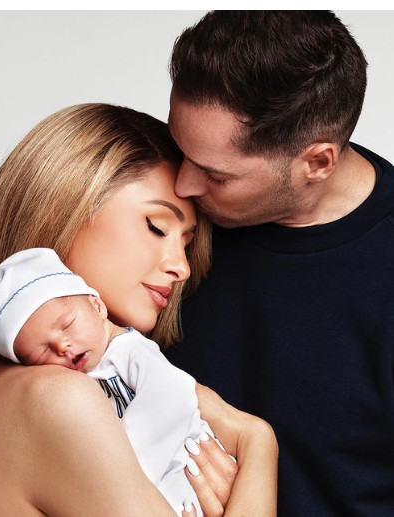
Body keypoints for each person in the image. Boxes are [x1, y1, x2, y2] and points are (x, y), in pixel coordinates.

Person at [0, 103, 278, 517]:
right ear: (62, 210)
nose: (181, 267)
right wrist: (260, 445)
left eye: (186, 242)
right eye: (156, 226)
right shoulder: (60, 398)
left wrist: (250, 435)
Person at [166, 10, 394, 517]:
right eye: (180, 149)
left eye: (216, 175)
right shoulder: (154, 204)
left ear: (317, 162)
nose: (182, 185)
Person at [0, 246, 226, 516]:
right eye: (41, 352)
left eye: (67, 324)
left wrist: (123, 469)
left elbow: (171, 397)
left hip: (183, 465)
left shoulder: (129, 350)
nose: (61, 346)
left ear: (97, 306)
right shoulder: (71, 385)